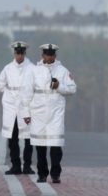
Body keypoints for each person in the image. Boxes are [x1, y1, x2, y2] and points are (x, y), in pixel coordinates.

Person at [29, 43, 76, 184]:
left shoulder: (62, 71)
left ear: (55, 55)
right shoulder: (34, 71)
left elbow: (73, 89)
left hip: (56, 113)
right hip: (39, 113)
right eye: (47, 54)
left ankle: (56, 174)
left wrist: (59, 86)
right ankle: (42, 174)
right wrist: (27, 112)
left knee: (56, 146)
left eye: (52, 54)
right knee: (40, 146)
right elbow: (27, 92)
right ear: (42, 55)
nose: (49, 57)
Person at [0, 41, 35, 175]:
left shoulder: (32, 68)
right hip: (11, 107)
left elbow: (35, 87)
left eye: (21, 53)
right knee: (12, 138)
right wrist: (10, 94)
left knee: (28, 138)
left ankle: (27, 165)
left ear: (25, 53)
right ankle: (15, 165)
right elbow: (0, 85)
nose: (19, 56)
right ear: (14, 53)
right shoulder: (7, 68)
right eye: (17, 53)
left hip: (26, 107)